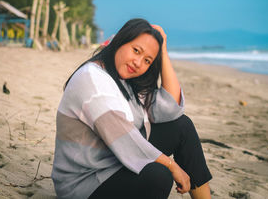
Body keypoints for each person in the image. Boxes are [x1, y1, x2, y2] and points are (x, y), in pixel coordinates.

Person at [51, 19, 212, 199]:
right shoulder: (92, 80)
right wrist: (172, 166)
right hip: (85, 183)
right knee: (158, 176)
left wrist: (163, 52)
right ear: (121, 41)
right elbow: (124, 138)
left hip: (112, 162)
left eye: (147, 60)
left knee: (182, 126)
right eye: (136, 50)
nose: (138, 63)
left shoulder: (123, 78)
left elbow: (170, 109)